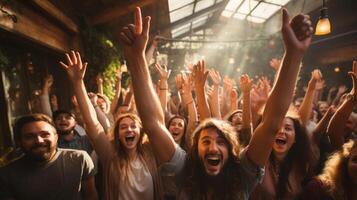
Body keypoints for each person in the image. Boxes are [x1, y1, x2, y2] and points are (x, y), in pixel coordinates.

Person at [119, 7, 312, 199]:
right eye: (206, 141)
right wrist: (136, 59)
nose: (213, 148)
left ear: (231, 151)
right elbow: (153, 125)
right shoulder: (182, 170)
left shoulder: (242, 174)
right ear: (194, 150)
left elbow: (271, 123)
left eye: (221, 142)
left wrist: (294, 56)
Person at [60, 51, 163, 199]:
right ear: (117, 134)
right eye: (123, 127)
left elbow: (157, 120)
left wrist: (139, 57)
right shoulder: (110, 155)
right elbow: (91, 122)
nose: (129, 129)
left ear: (141, 132)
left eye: (133, 126)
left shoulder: (150, 152)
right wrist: (77, 82)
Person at [0, 114, 97, 200]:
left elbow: (90, 195)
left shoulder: (79, 159)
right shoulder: (7, 174)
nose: (39, 141)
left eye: (45, 134)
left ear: (56, 137)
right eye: (29, 137)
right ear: (19, 142)